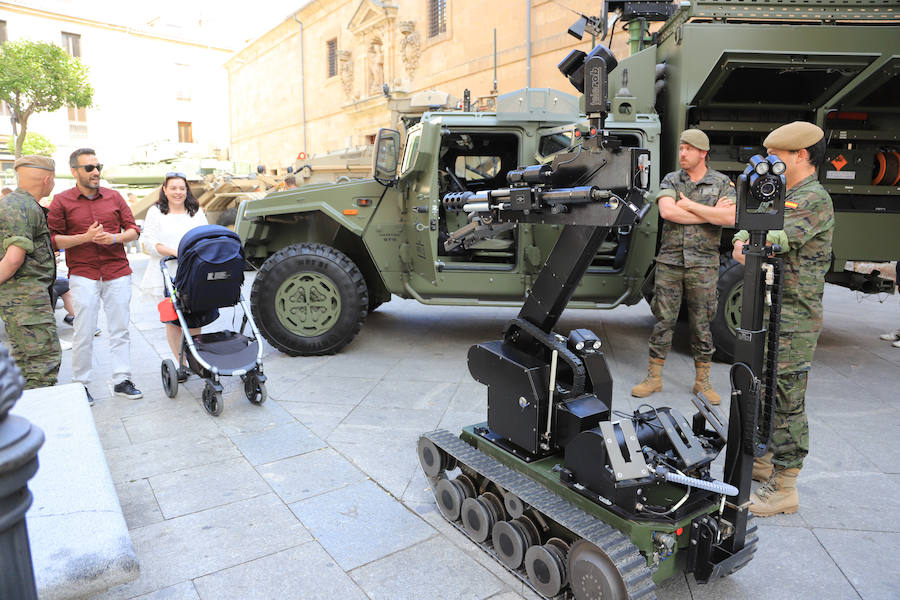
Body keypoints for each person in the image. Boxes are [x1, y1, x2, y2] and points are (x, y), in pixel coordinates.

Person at [732, 121, 834, 517]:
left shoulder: (814, 198)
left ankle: (786, 484)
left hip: (795, 313)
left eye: (778, 156)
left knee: (786, 394)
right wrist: (745, 237)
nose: (770, 162)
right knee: (764, 383)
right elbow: (752, 225)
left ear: (801, 155)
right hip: (772, 306)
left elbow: (777, 236)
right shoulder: (784, 192)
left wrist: (749, 239)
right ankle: (766, 456)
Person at [631, 129, 736, 404]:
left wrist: (688, 205)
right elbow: (667, 212)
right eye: (681, 148)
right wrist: (708, 214)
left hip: (703, 265)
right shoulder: (670, 179)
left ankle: (703, 381)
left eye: (688, 149)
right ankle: (654, 377)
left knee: (703, 323)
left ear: (703, 152)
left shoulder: (722, 183)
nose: (682, 154)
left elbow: (729, 217)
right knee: (663, 321)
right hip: (670, 262)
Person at [47, 148, 143, 403]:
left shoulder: (114, 197)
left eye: (98, 166)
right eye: (89, 168)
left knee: (120, 328)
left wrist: (114, 238)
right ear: (74, 171)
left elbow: (133, 230)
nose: (96, 171)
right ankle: (81, 383)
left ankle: (122, 379)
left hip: (117, 271)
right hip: (84, 273)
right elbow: (53, 240)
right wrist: (85, 238)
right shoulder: (62, 200)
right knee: (84, 329)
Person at [140, 172, 209, 381]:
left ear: (186, 190)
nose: (178, 192)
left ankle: (196, 358)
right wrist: (176, 252)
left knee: (196, 316)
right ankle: (181, 363)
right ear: (165, 190)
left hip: (194, 271)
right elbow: (149, 242)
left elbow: (206, 235)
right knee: (173, 319)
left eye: (182, 188)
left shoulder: (195, 211)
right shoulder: (156, 212)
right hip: (168, 271)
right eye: (173, 188)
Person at [0, 156, 61, 388]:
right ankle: (36, 421)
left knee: (26, 366)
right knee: (42, 368)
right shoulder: (20, 206)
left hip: (24, 301)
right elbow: (14, 258)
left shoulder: (19, 203)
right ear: (48, 179)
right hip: (25, 301)